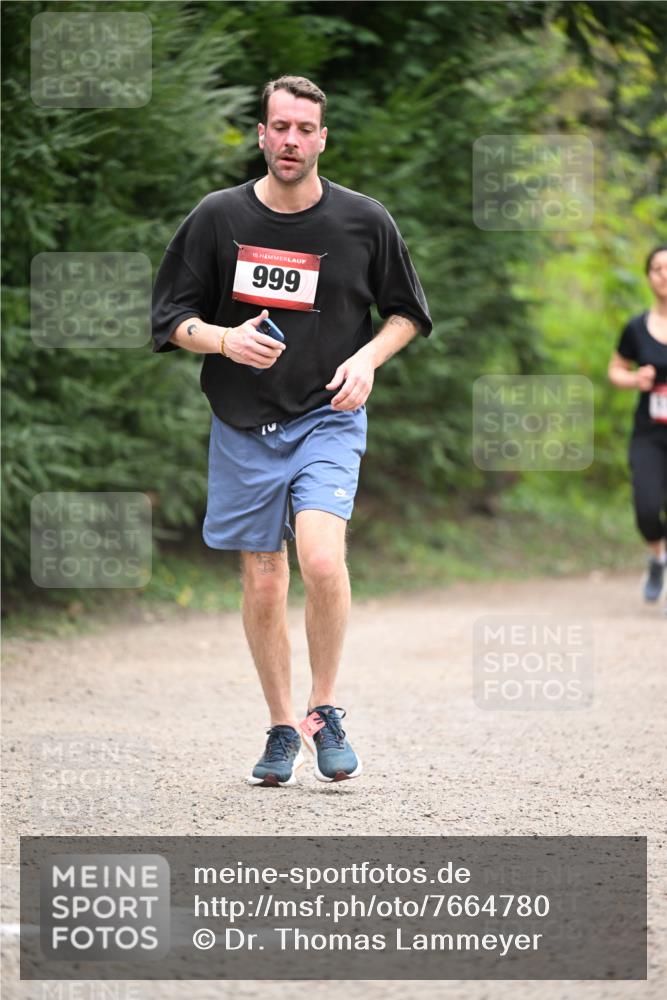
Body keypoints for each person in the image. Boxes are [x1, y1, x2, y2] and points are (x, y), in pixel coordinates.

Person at [151, 76, 431, 786]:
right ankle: (281, 727)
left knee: (322, 559)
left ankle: (323, 711)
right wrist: (221, 340)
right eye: (279, 127)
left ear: (322, 138)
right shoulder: (217, 218)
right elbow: (170, 318)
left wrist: (367, 357)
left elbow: (406, 312)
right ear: (261, 135)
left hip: (326, 417)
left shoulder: (364, 221)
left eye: (304, 129)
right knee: (265, 579)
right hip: (242, 423)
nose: (290, 141)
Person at [608, 245, 667, 602]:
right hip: (649, 432)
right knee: (646, 508)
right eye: (658, 268)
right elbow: (615, 370)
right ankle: (658, 558)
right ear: (648, 277)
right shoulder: (636, 328)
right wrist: (635, 380)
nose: (665, 275)